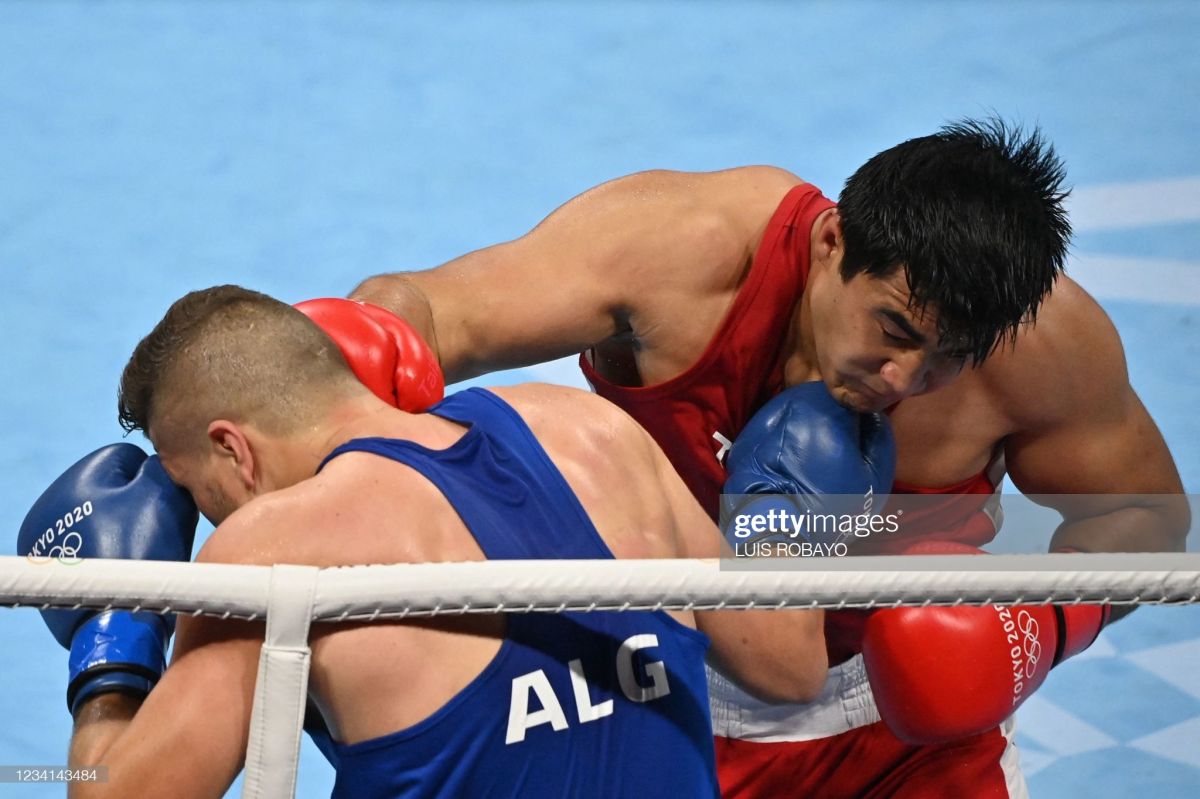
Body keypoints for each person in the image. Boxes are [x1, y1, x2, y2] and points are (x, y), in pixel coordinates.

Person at [345, 118, 1190, 796]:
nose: (903, 377)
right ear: (831, 243)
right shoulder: (684, 255)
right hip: (661, 696)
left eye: (947, 357)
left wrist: (1041, 621)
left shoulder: (1043, 348)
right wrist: (360, 358)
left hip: (910, 728)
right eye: (892, 329)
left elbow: (1144, 517)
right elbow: (421, 310)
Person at [18, 285, 829, 798]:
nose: (212, 520)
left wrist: (112, 635)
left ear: (234, 448)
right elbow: (789, 664)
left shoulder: (276, 545)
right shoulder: (590, 428)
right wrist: (779, 502)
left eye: (198, 494)